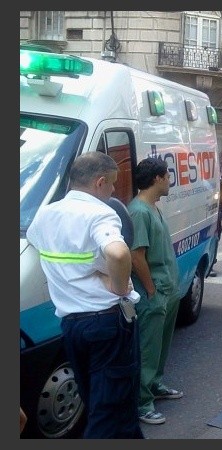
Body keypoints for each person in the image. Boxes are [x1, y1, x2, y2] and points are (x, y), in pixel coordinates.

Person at [26, 152, 144, 438]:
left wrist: (91, 271)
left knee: (107, 405)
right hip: (107, 325)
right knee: (108, 411)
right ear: (100, 182)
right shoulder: (100, 213)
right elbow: (117, 251)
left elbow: (39, 243)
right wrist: (117, 285)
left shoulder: (45, 215)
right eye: (113, 184)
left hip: (72, 325)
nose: (114, 190)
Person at [128, 157, 184, 425]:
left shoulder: (153, 207)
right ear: (157, 179)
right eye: (167, 176)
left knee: (161, 344)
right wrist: (150, 290)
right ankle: (142, 403)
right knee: (148, 349)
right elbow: (136, 255)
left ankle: (155, 385)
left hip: (165, 288)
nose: (170, 181)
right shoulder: (139, 211)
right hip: (154, 293)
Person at [208, 178, 222, 277]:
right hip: (215, 214)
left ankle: (210, 263)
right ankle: (211, 264)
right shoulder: (220, 182)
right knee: (215, 239)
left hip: (208, 214)